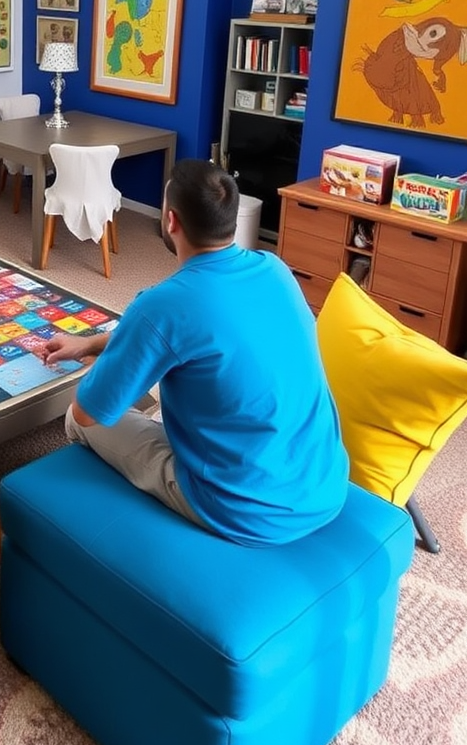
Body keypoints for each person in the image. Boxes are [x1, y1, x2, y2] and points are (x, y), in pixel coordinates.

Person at [44, 158, 349, 546]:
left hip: (241, 508)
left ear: (170, 221)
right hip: (324, 485)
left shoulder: (162, 305)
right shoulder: (274, 269)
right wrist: (91, 345)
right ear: (231, 219)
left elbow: (89, 414)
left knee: (75, 417)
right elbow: (182, 333)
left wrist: (104, 369)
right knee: (175, 378)